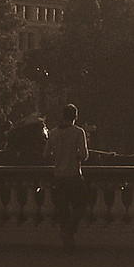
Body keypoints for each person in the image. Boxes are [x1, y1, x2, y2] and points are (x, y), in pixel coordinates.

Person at [44, 104, 89, 250]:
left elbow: (46, 154)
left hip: (59, 176)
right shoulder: (78, 132)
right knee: (81, 205)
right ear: (75, 117)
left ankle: (67, 239)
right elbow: (84, 155)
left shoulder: (52, 133)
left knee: (63, 209)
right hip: (74, 175)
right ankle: (70, 231)